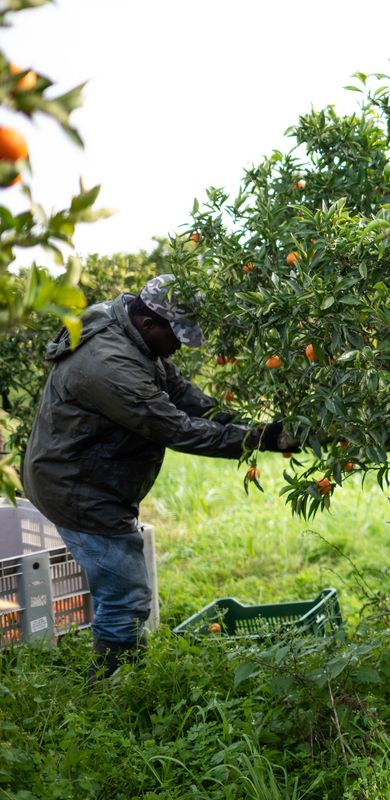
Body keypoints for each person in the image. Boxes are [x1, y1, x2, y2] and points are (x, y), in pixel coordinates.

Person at [21, 274, 291, 681]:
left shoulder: (131, 331)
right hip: (76, 487)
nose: (180, 346)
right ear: (150, 324)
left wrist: (250, 425)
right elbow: (174, 428)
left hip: (92, 475)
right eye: (178, 336)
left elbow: (179, 392)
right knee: (126, 594)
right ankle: (112, 688)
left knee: (123, 587)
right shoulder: (109, 366)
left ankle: (121, 676)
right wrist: (260, 439)